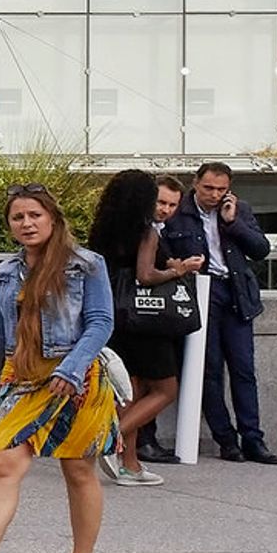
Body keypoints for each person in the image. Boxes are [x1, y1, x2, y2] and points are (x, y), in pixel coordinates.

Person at [0, 185, 114, 553]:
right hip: (21, 377)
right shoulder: (7, 272)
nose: (26, 224)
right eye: (18, 218)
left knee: (78, 470)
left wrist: (73, 369)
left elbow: (100, 324)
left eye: (34, 215)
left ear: (53, 218)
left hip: (77, 378)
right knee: (4, 461)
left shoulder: (87, 265)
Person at [87, 171, 198, 486]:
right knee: (166, 389)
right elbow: (146, 275)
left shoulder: (105, 230)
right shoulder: (146, 231)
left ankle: (130, 464)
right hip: (146, 321)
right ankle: (110, 437)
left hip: (114, 317)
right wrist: (176, 270)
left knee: (130, 393)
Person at [175, 161, 277, 465]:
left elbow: (261, 249)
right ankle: (226, 440)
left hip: (236, 292)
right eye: (208, 188)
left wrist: (233, 222)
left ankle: (253, 439)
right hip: (201, 293)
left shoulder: (238, 210)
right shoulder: (179, 212)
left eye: (221, 189)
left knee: (244, 369)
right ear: (195, 183)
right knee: (208, 370)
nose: (214, 195)